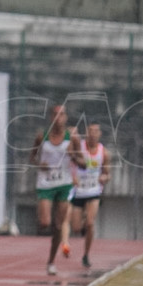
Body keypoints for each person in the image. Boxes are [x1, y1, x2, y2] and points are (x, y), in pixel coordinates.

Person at [30, 104, 83, 276]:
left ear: (66, 118)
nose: (59, 118)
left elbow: (83, 163)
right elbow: (32, 157)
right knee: (45, 222)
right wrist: (40, 164)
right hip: (45, 184)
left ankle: (51, 261)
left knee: (59, 225)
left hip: (64, 184)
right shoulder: (42, 136)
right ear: (51, 118)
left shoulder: (72, 139)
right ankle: (53, 241)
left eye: (62, 115)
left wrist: (73, 156)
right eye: (55, 115)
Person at [69, 122, 110, 268]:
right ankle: (83, 223)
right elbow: (69, 153)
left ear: (99, 134)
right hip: (78, 191)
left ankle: (86, 255)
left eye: (96, 131)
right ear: (86, 133)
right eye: (90, 131)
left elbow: (107, 173)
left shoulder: (103, 152)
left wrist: (104, 178)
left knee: (91, 223)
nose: (93, 134)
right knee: (76, 228)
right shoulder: (79, 146)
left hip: (94, 191)